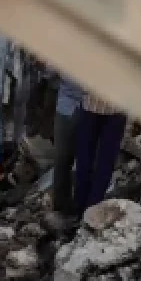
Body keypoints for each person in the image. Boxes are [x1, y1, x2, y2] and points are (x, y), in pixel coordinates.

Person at [72, 92, 128, 215]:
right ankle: (87, 209)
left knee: (89, 160)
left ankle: (83, 209)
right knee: (99, 162)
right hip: (107, 107)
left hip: (101, 107)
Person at [51, 76, 85, 216]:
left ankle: (76, 206)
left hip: (90, 107)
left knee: (70, 160)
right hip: (71, 104)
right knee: (63, 159)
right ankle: (64, 207)